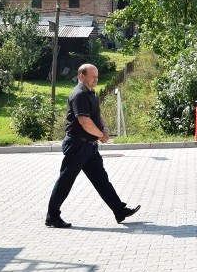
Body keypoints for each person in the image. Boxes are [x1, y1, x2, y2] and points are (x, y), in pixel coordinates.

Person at [45, 64, 140, 228]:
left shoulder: (90, 93)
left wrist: (104, 129)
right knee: (65, 181)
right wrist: (100, 135)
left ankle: (119, 210)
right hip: (77, 146)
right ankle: (52, 217)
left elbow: (96, 115)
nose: (96, 79)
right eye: (92, 76)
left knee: (102, 180)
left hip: (89, 147)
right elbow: (84, 121)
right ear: (81, 76)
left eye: (97, 76)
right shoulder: (79, 94)